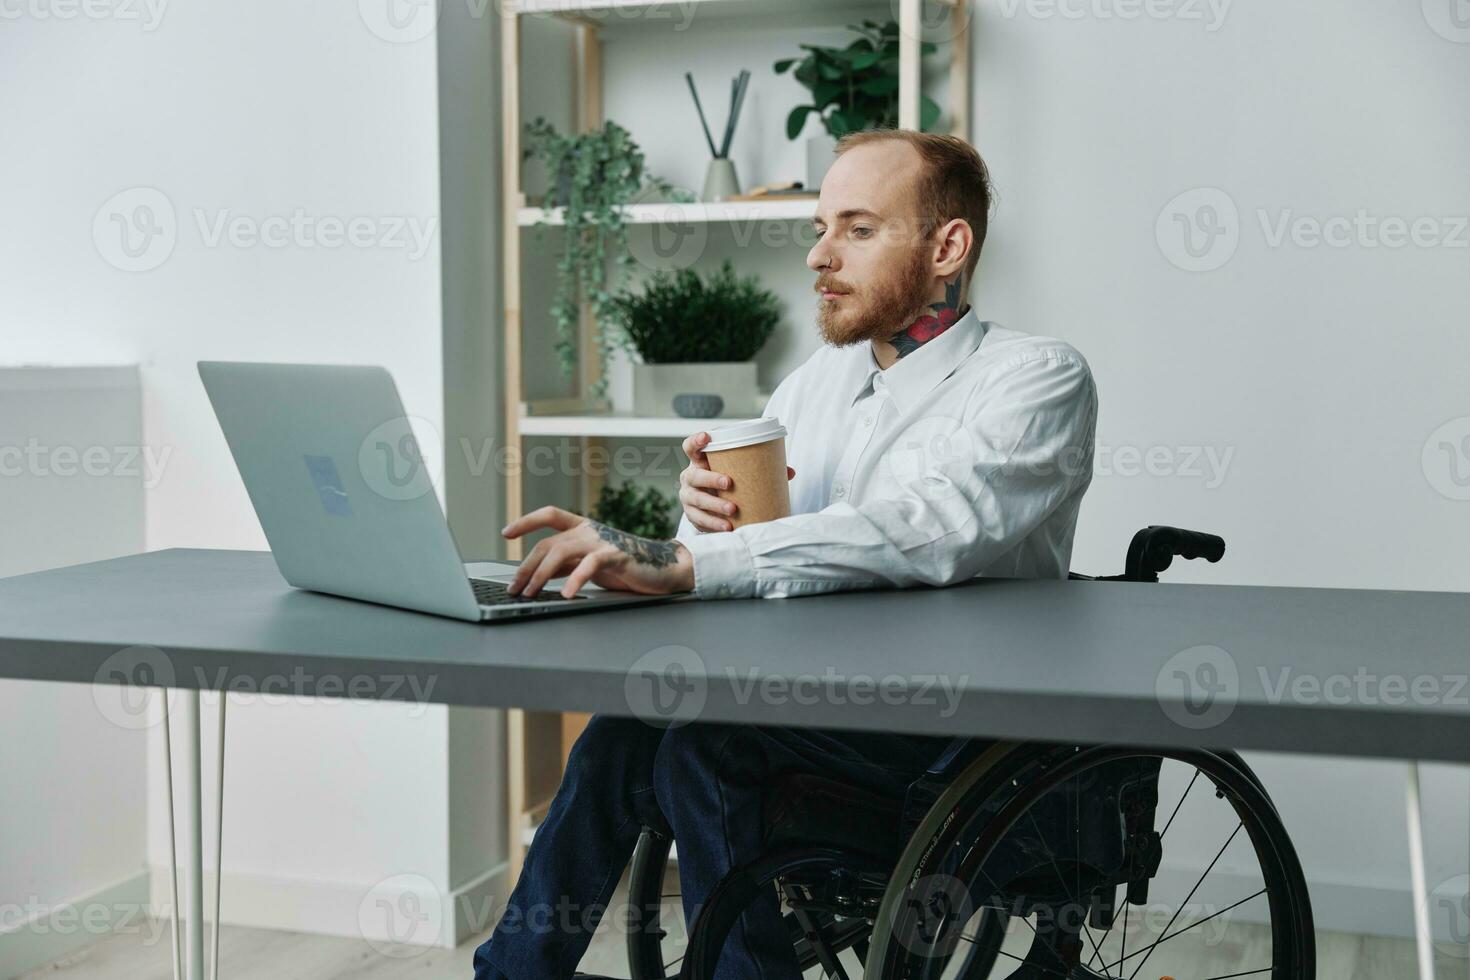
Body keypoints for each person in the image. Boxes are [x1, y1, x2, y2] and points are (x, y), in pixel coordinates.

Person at [474, 129, 1098, 980]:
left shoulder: (1035, 378)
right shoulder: (812, 386)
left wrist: (694, 562)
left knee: (704, 744)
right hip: (806, 705)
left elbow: (930, 527)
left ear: (948, 246)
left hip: (953, 740)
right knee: (625, 724)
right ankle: (510, 975)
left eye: (858, 229)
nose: (819, 256)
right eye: (818, 227)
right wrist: (700, 526)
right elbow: (742, 562)